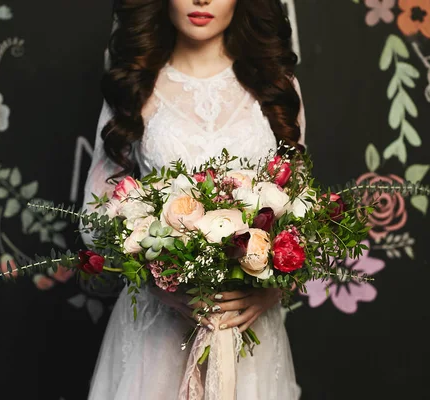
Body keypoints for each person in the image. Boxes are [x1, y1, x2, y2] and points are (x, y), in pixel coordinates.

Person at [81, 1, 306, 398]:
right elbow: (95, 218)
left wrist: (272, 289)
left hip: (249, 330)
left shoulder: (276, 86)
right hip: (158, 337)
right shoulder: (135, 85)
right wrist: (160, 285)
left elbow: (302, 206)